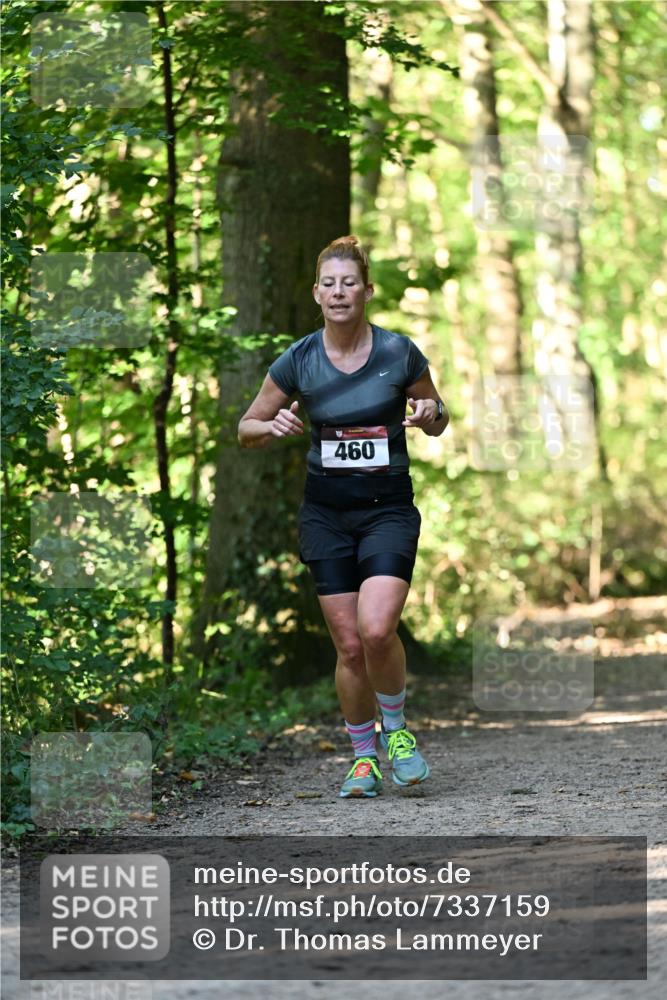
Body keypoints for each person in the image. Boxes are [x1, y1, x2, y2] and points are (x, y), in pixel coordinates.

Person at [238, 236, 448, 798]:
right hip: (326, 516)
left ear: (366, 291)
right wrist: (272, 426)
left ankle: (396, 732)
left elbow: (437, 416)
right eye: (329, 284)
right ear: (316, 293)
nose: (339, 292)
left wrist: (431, 411)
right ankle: (362, 759)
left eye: (349, 283)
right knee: (350, 646)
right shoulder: (299, 359)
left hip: (387, 512)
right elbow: (246, 428)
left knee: (377, 629)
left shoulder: (398, 353)